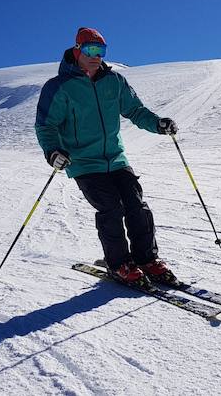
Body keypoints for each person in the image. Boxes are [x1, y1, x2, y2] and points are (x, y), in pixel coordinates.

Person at [35, 27, 179, 286]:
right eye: (90, 50)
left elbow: (135, 110)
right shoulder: (59, 87)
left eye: (101, 51)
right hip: (84, 162)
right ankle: (119, 264)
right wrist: (53, 152)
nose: (96, 56)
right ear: (77, 50)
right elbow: (46, 125)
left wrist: (158, 124)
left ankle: (147, 259)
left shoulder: (114, 81)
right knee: (111, 208)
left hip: (116, 158)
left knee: (137, 206)